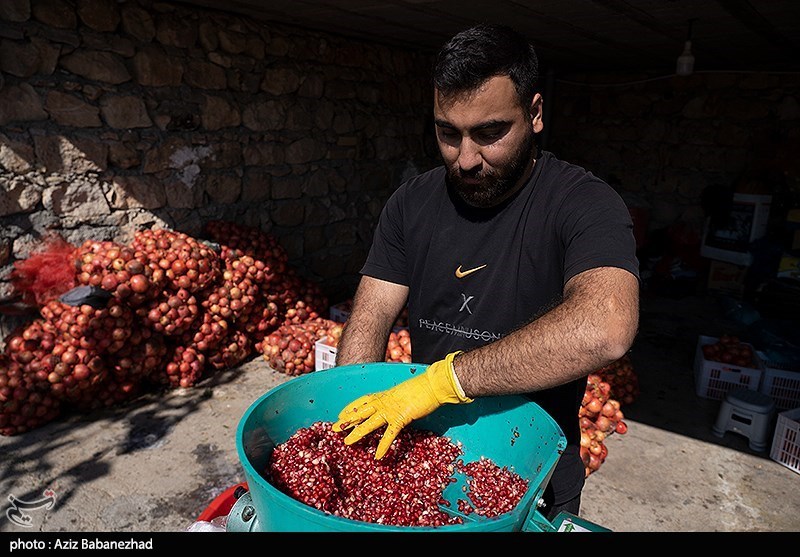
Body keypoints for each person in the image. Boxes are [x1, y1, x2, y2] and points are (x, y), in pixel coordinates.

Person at [331, 22, 640, 522]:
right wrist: (349, 415)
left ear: (534, 114)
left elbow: (605, 329)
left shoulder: (585, 204)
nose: (466, 159)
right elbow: (371, 314)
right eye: (447, 134)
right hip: (423, 463)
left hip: (528, 477)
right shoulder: (411, 203)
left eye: (490, 133)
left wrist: (441, 383)